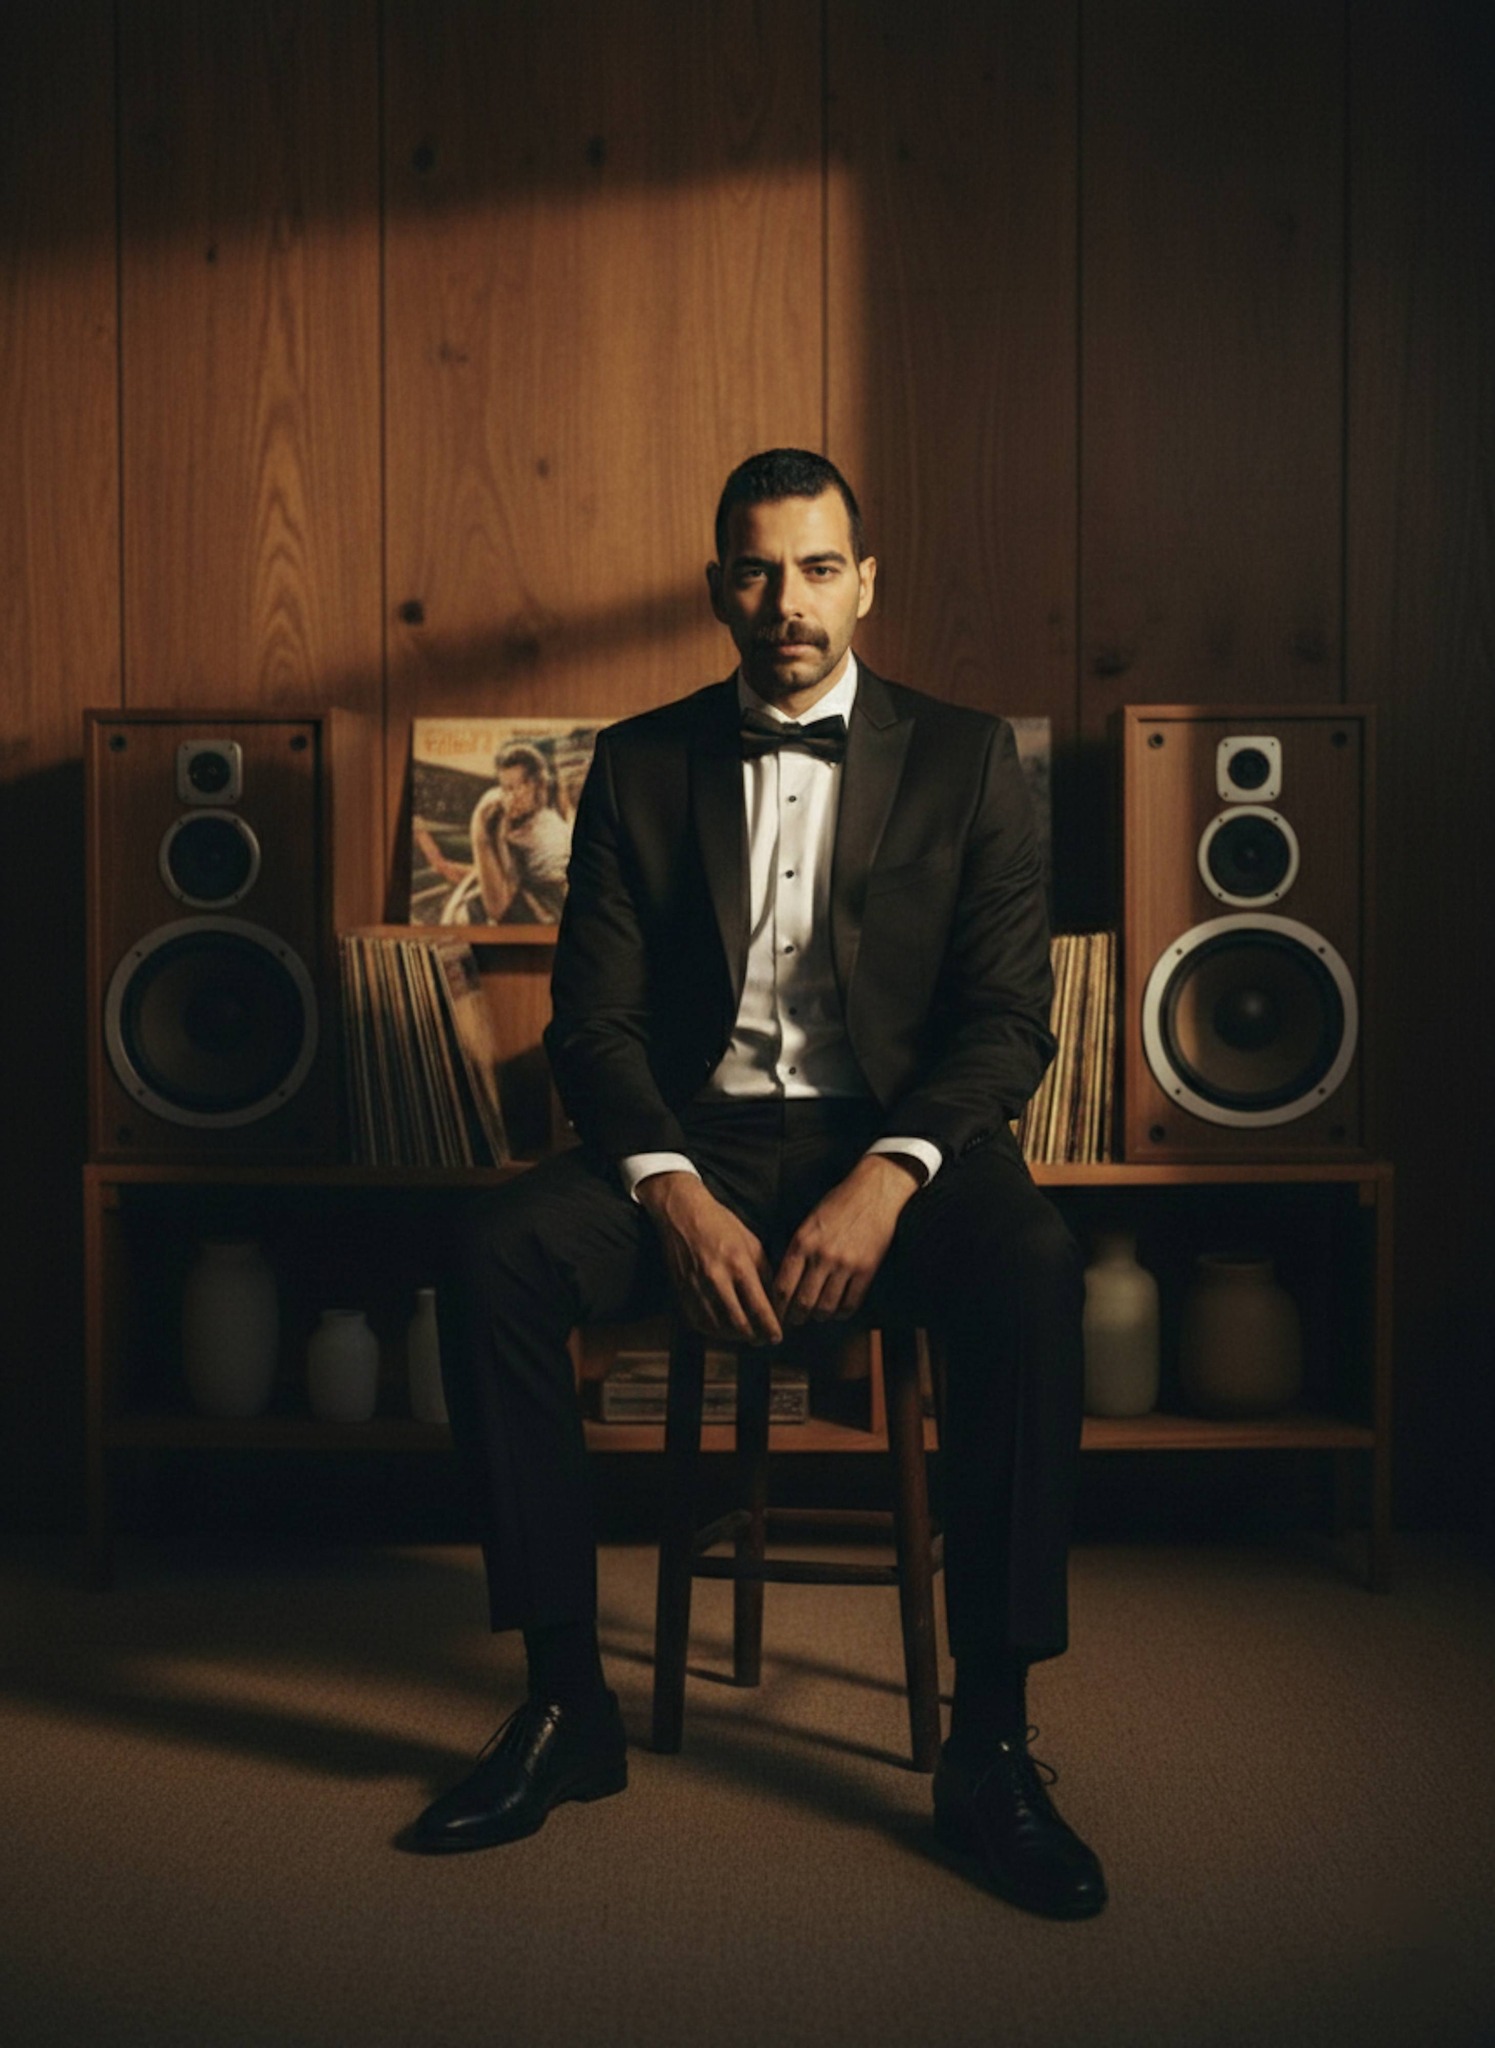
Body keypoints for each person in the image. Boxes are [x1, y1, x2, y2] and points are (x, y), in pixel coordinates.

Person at [413, 449, 1105, 1919]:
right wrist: (668, 1186)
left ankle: (991, 1742)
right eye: (753, 569)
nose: (784, 599)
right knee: (494, 1253)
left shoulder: (972, 757)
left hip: (894, 1143)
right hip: (694, 1141)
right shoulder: (643, 760)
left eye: (813, 567)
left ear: (865, 580)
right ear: (716, 583)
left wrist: (890, 1176)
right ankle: (561, 1704)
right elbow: (591, 1024)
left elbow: (1003, 1022)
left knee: (1036, 1266)